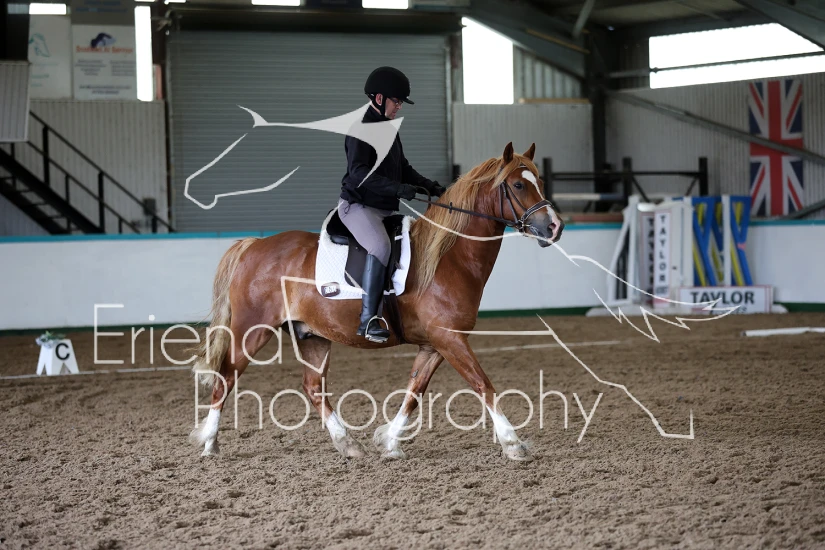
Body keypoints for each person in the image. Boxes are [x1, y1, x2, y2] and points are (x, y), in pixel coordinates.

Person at [338, 66, 446, 343]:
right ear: (379, 98)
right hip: (358, 207)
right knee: (380, 247)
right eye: (396, 101)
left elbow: (403, 168)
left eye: (400, 102)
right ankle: (368, 320)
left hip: (384, 210)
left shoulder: (389, 129)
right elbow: (358, 174)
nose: (399, 106)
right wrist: (396, 188)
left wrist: (431, 186)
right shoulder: (360, 130)